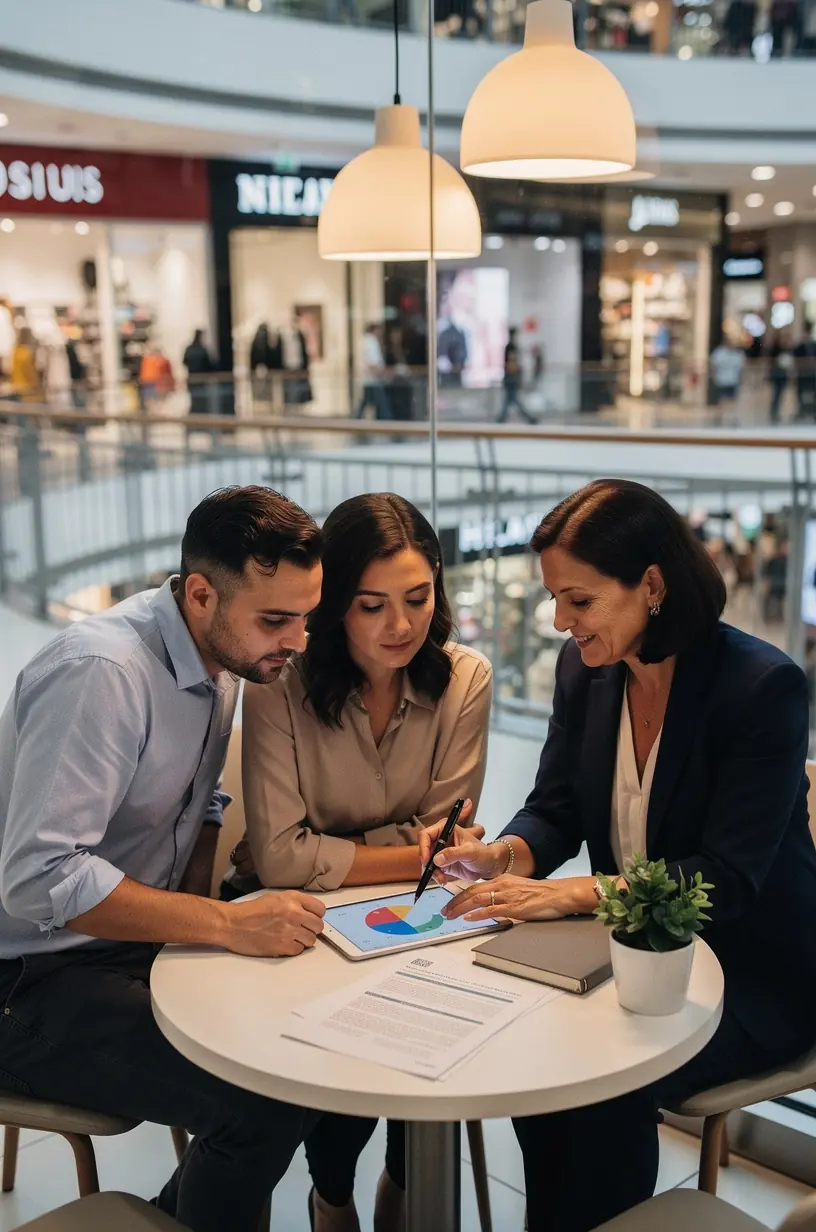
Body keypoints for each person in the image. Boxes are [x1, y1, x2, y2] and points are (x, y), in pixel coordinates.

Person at [419, 479, 816, 1232]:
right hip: (633, 955)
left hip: (752, 970)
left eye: (580, 600)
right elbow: (557, 808)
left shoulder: (762, 689)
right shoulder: (587, 670)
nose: (561, 622)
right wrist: (503, 854)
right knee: (537, 1056)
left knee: (598, 1083)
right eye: (556, 601)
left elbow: (726, 880)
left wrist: (571, 896)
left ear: (653, 586)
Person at [0, 485, 327, 1232]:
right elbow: (39, 878)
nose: (298, 641)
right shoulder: (102, 672)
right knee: (267, 1099)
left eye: (305, 617)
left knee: (310, 1042)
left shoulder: (218, 655)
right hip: (24, 981)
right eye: (276, 620)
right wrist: (220, 924)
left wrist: (201, 925)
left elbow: (192, 804)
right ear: (203, 594)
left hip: (114, 951)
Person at [229, 492, 493, 1232]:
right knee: (335, 1068)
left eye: (417, 599)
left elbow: (446, 853)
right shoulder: (279, 683)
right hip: (301, 921)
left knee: (435, 1043)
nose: (400, 626)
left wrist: (343, 852)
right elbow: (279, 862)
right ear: (335, 602)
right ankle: (333, 1195)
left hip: (418, 917)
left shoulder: (464, 678)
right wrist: (410, 849)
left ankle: (406, 1191)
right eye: (371, 605)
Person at [498, 327, 536, 424]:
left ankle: (502, 419)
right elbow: (511, 363)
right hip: (510, 376)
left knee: (510, 400)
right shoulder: (510, 347)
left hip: (512, 377)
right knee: (514, 400)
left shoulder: (513, 347)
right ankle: (529, 418)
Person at [355, 323, 391, 421]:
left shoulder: (365, 341)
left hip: (369, 377)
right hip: (372, 377)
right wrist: (381, 370)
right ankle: (387, 420)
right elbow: (373, 361)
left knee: (366, 400)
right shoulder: (371, 341)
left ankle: (357, 419)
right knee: (380, 401)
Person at [183, 329, 216, 417]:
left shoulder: (190, 349)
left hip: (193, 378)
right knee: (201, 401)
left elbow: (185, 362)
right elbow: (209, 365)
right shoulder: (202, 349)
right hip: (201, 380)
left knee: (195, 400)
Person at [709, 337, 745, 407]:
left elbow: (741, 368)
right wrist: (713, 377)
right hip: (722, 381)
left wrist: (741, 379)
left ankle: (729, 415)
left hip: (732, 381)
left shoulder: (737, 354)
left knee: (731, 401)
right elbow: (713, 366)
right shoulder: (718, 353)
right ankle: (724, 415)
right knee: (722, 400)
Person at [9, 327, 42, 402]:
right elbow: (30, 373)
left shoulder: (15, 351)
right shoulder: (27, 353)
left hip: (15, 387)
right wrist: (37, 385)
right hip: (27, 390)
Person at [769, 333, 793, 422]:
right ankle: (774, 411)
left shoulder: (789, 351)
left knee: (781, 393)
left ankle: (777, 411)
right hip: (777, 375)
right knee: (776, 394)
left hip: (784, 375)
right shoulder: (775, 350)